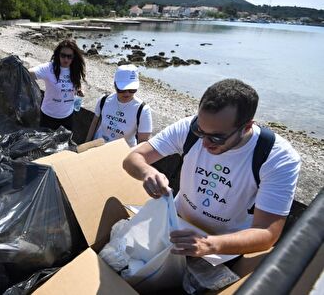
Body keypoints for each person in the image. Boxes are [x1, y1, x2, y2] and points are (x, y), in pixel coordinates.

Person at [123, 79, 301, 256]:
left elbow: (267, 233)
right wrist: (148, 172)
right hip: (176, 224)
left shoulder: (277, 157)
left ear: (247, 127)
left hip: (225, 246)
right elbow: (133, 158)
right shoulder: (187, 129)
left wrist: (210, 245)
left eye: (216, 138)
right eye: (199, 131)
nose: (205, 143)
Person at [85, 64, 153, 147]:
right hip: (98, 147)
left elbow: (143, 143)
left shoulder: (143, 110)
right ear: (115, 85)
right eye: (122, 89)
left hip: (122, 154)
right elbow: (95, 123)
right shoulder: (104, 100)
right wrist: (86, 145)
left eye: (132, 90)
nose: (127, 93)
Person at [29, 39, 85, 131]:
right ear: (58, 54)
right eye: (63, 55)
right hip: (48, 116)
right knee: (46, 144)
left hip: (68, 116)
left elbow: (77, 83)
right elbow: (30, 73)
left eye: (69, 56)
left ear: (73, 57)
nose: (66, 59)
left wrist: (79, 89)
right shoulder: (49, 68)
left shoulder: (75, 68)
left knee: (64, 144)